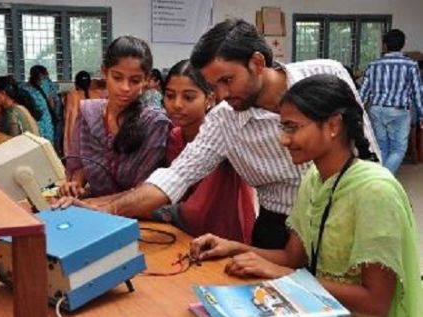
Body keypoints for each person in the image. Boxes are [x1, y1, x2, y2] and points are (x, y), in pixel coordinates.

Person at [53, 19, 379, 249]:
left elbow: (367, 155)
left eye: (227, 81)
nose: (220, 95)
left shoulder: (326, 74)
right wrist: (104, 209)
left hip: (345, 217)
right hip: (278, 229)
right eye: (213, 86)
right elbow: (175, 177)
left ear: (256, 62)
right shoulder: (225, 119)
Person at [189, 74, 423, 317]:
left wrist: (285, 277)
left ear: (333, 126)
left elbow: (375, 303)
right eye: (283, 127)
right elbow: (291, 257)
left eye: (292, 127)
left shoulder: (375, 191)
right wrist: (232, 247)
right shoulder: (314, 178)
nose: (283, 139)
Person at [152, 59, 255, 243]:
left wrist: (159, 210)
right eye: (169, 95)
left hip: (223, 235)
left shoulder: (222, 136)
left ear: (209, 99)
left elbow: (198, 207)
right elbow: (172, 190)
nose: (177, 104)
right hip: (180, 234)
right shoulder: (174, 136)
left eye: (188, 97)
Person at [59, 35, 171, 198]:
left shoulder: (154, 124)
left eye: (134, 80)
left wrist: (99, 204)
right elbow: (82, 168)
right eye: (117, 78)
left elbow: (144, 190)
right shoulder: (88, 114)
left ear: (146, 80)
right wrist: (74, 186)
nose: (125, 88)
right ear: (105, 73)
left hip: (140, 217)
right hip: (95, 211)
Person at [360, 29, 423, 173]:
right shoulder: (411, 65)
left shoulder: (373, 65)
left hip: (376, 110)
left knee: (382, 147)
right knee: (399, 149)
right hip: (399, 111)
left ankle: (380, 178)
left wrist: (358, 110)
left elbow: (363, 93)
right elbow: (418, 93)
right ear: (403, 45)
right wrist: (421, 115)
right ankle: (381, 180)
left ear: (385, 45)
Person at [20, 65, 59, 148]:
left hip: (32, 120)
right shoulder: (46, 83)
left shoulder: (23, 87)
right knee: (48, 145)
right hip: (46, 119)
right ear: (42, 75)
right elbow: (52, 101)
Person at [64, 70, 92, 156]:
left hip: (77, 136)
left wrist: (68, 144)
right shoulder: (95, 94)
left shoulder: (72, 95)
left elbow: (71, 118)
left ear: (76, 83)